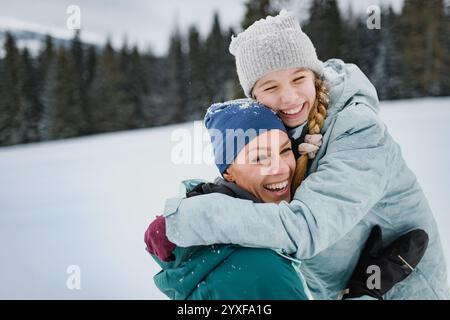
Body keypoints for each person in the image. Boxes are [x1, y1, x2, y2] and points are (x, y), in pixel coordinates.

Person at [146, 100, 429, 300]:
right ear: (228, 172)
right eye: (259, 158)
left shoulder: (209, 233)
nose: (281, 168)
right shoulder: (259, 268)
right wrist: (365, 291)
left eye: (283, 151)